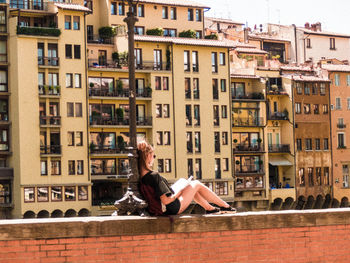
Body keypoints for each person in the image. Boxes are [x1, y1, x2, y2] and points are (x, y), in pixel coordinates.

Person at [137, 141, 236, 216]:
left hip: (162, 207)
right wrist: (180, 190)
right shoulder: (154, 176)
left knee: (184, 181)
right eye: (153, 155)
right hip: (172, 208)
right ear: (148, 156)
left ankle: (210, 209)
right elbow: (166, 201)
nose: (154, 158)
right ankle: (225, 206)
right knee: (195, 184)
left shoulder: (141, 176)